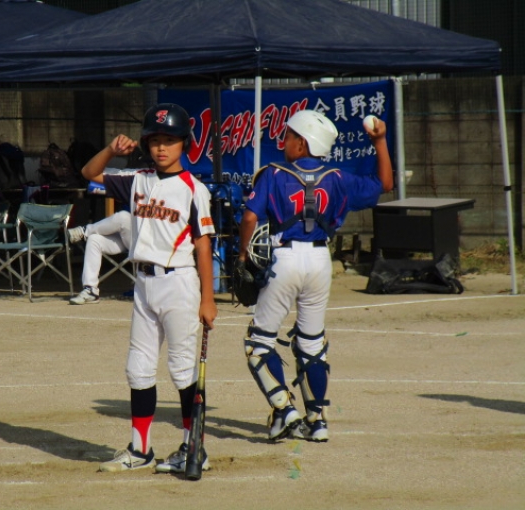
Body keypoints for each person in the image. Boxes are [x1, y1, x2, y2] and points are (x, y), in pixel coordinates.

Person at [237, 110, 393, 443]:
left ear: (303, 143)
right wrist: (379, 141)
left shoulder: (273, 174)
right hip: (321, 261)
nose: (283, 141)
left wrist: (241, 255)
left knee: (258, 343)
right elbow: (385, 184)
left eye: (289, 136)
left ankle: (284, 410)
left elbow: (249, 217)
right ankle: (317, 421)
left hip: (285, 259)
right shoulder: (338, 177)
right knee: (311, 344)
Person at [82, 103, 217, 473]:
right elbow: (89, 173)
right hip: (143, 283)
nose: (161, 147)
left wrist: (208, 298)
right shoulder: (137, 179)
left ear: (184, 144)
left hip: (179, 283)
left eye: (170, 140)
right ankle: (141, 450)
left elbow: (203, 244)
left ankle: (193, 447)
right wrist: (111, 150)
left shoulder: (194, 189)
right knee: (138, 368)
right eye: (155, 140)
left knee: (182, 369)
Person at [68, 209, 132, 305]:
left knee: (123, 217)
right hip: (130, 236)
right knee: (94, 239)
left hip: (148, 243)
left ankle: (84, 231)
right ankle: (91, 290)